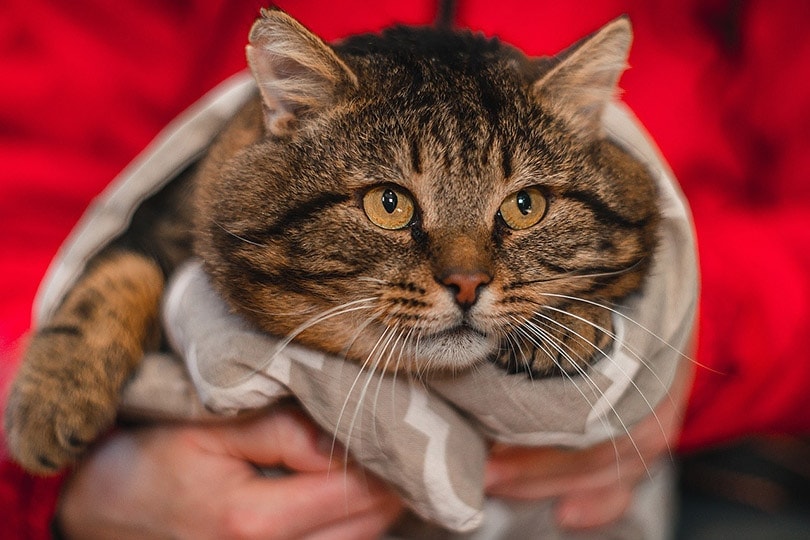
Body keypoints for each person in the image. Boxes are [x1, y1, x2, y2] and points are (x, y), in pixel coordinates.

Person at [2, 0, 809, 538]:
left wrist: (684, 339)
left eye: (518, 210)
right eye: (394, 206)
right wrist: (73, 489)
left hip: (701, 455)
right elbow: (33, 186)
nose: (468, 275)